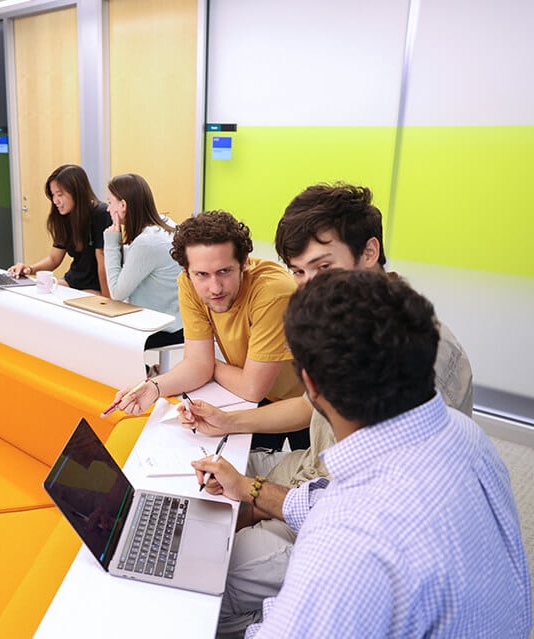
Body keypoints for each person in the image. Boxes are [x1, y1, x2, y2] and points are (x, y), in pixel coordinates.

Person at [179, 183, 475, 638]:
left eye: (323, 267)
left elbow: (361, 509)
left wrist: (257, 498)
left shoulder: (413, 359)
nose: (310, 287)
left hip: (332, 509)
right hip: (310, 472)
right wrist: (231, 423)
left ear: (369, 251)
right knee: (197, 483)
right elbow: (311, 407)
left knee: (212, 573)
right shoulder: (354, 330)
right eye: (299, 272)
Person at [192, 270, 531, 638]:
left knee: (202, 594)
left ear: (311, 386)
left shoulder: (344, 542)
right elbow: (336, 500)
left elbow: (350, 524)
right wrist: (248, 489)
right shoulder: (466, 435)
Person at [114, 211, 305, 447]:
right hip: (257, 396)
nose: (214, 287)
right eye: (202, 274)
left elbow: (251, 387)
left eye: (224, 271)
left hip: (307, 401)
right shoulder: (188, 284)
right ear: (186, 270)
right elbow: (198, 366)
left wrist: (209, 365)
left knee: (309, 476)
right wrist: (155, 387)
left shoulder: (273, 292)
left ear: (244, 261)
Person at [102, 173, 182, 349]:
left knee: (101, 337)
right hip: (177, 323)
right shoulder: (163, 223)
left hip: (165, 329)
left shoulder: (147, 242)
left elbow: (116, 293)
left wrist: (111, 242)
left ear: (123, 205)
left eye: (110, 202)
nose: (108, 209)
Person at [7, 164, 111, 295]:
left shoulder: (101, 214)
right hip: (72, 281)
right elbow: (54, 259)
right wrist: (29, 269)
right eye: (53, 195)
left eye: (60, 195)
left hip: (97, 287)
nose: (55, 201)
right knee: (36, 295)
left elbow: (103, 264)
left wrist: (107, 300)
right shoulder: (64, 216)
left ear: (76, 192)